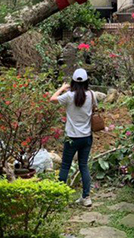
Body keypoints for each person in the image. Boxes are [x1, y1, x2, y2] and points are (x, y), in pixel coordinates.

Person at [50, 68, 96, 206]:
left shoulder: (69, 96)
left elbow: (52, 99)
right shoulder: (92, 95)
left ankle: (59, 198)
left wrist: (62, 88)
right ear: (87, 81)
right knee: (83, 166)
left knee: (65, 166)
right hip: (86, 136)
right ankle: (86, 198)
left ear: (73, 82)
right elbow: (94, 110)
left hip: (71, 137)